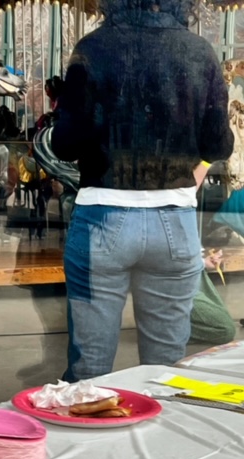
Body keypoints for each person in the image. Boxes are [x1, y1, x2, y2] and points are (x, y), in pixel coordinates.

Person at [50, 0, 235, 382]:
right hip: (175, 222)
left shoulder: (92, 48)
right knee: (165, 373)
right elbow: (218, 144)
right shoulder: (199, 51)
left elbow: (65, 144)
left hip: (101, 218)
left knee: (89, 371)